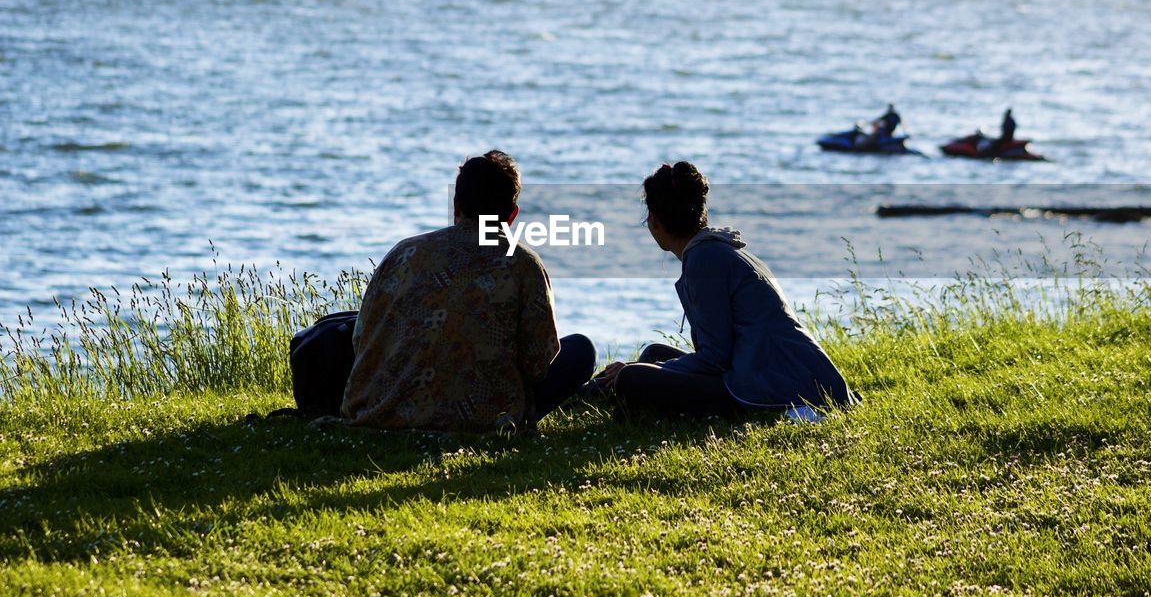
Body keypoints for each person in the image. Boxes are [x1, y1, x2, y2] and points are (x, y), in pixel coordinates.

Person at [340, 150, 596, 432]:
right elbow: (538, 364)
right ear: (512, 215)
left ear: (456, 204)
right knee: (580, 350)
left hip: (387, 412)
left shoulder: (405, 252)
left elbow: (361, 340)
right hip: (483, 418)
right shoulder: (523, 263)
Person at [591, 161, 854, 417]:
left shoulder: (705, 260)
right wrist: (656, 364)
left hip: (771, 385)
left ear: (656, 221)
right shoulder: (716, 249)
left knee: (632, 377)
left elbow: (715, 359)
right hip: (776, 371)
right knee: (653, 353)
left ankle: (580, 397)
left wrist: (645, 369)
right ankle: (585, 397)